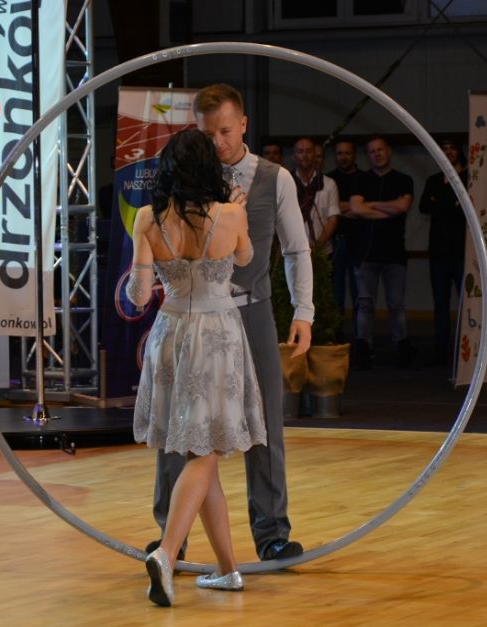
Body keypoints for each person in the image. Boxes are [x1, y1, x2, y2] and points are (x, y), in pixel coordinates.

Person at [147, 83, 314, 565]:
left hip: (251, 310)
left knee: (265, 423)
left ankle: (272, 533)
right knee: (180, 426)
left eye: (224, 131)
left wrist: (304, 312)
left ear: (243, 124)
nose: (217, 142)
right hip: (194, 316)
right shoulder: (184, 180)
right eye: (207, 134)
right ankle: (170, 539)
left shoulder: (275, 179)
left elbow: (297, 248)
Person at [127, 129, 266, 606]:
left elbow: (138, 297)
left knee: (199, 453)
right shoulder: (231, 213)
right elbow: (246, 259)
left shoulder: (147, 218)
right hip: (217, 335)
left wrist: (151, 270)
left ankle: (228, 570)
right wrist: (235, 212)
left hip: (170, 334)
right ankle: (167, 554)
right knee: (205, 452)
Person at [344, 134, 415, 369]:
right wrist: (387, 210)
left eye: (380, 149)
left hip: (395, 254)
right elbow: (356, 208)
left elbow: (403, 206)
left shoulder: (404, 179)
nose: (377, 154)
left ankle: (402, 348)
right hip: (366, 253)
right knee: (364, 304)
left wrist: (371, 205)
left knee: (396, 305)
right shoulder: (360, 180)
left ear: (389, 151)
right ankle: (363, 349)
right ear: (368, 155)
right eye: (372, 151)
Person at [419, 137, 468, 365]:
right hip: (438, 251)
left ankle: (466, 346)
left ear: (459, 151)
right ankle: (441, 348)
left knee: (465, 301)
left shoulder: (468, 178)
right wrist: (451, 204)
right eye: (444, 149)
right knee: (440, 302)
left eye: (452, 148)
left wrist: (440, 203)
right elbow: (424, 206)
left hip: (461, 251)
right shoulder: (434, 180)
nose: (448, 152)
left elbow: (463, 209)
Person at [326, 138, 362, 337]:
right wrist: (353, 207)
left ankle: (359, 337)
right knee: (335, 294)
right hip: (335, 242)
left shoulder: (364, 178)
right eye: (340, 153)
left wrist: (339, 208)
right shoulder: (329, 180)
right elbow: (327, 210)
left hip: (359, 243)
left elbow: (363, 209)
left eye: (347, 153)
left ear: (354, 155)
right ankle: (337, 336)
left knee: (360, 295)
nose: (344, 157)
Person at [291, 136, 339, 254]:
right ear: (294, 156)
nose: (304, 155)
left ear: (315, 155)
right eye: (300, 151)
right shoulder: (285, 183)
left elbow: (333, 219)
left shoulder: (329, 183)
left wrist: (318, 246)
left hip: (322, 252)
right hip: (292, 251)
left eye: (309, 151)